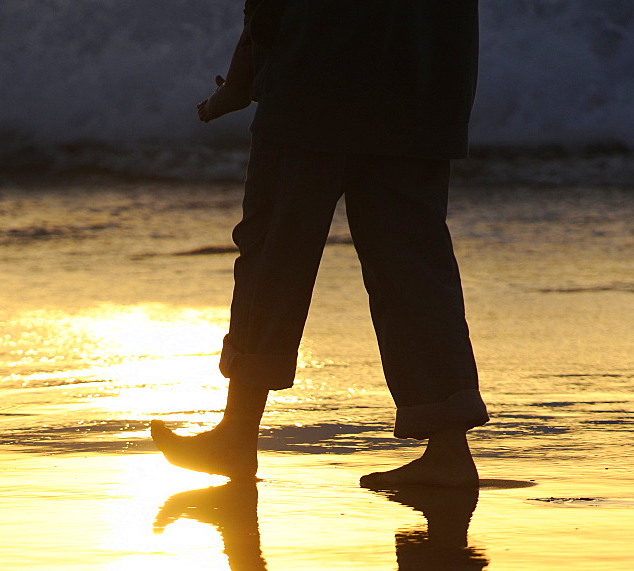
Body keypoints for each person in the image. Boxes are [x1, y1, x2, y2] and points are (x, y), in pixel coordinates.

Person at [151, 0, 489, 487]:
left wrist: (243, 76)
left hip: (317, 75)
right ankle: (449, 449)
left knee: (273, 257)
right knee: (414, 268)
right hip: (422, 80)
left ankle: (237, 436)